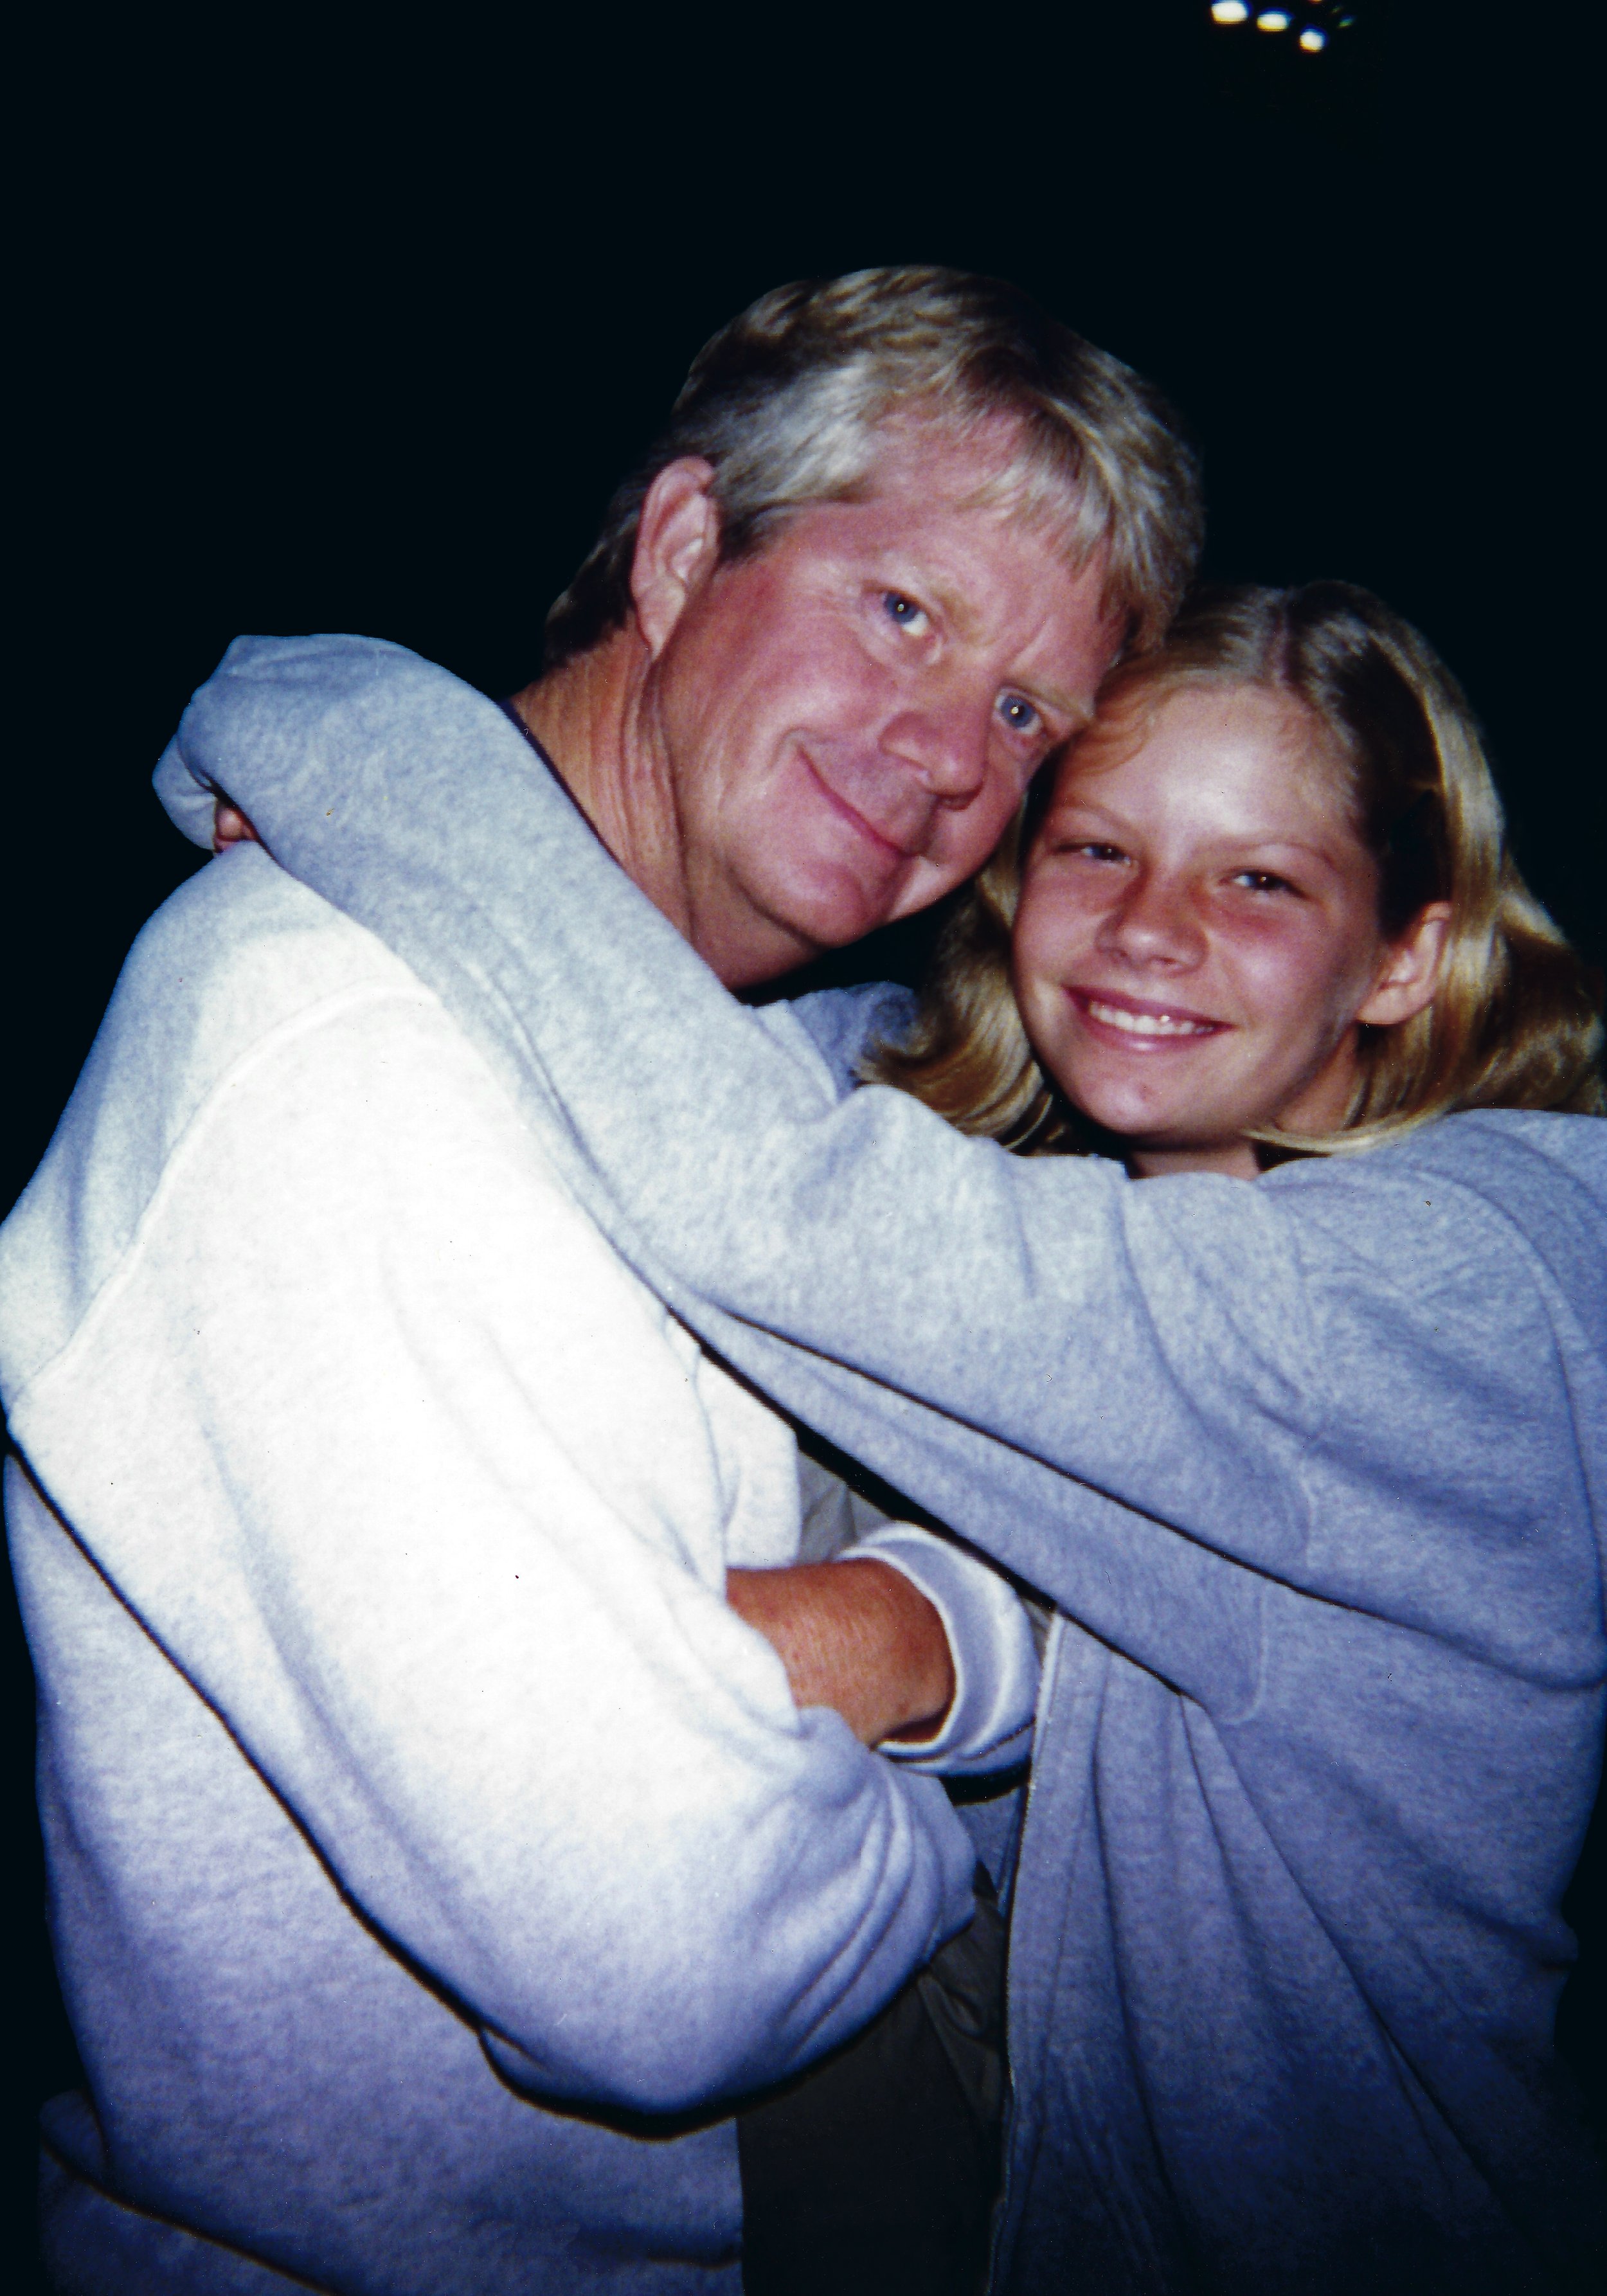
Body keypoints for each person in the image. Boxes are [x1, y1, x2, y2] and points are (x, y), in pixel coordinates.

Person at [181, 580, 1606, 2292]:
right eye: (1095, 851)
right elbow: (785, 1079)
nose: (1150, 930)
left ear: (1403, 955)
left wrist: (356, 731)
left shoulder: (1416, 1304)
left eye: (1258, 879)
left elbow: (767, 1198)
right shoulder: (1138, 1199)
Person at [0, 268, 1203, 2294]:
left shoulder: (752, 1092)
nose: (939, 755)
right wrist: (962, 1674)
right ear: (675, 549)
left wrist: (784, 1663)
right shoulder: (331, 1037)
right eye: (902, 609)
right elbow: (664, 1936)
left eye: (1023, 715)